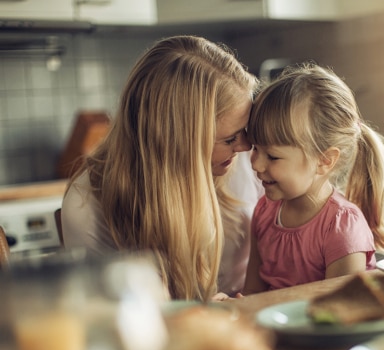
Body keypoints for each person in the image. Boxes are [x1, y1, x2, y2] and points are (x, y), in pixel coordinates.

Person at [61, 35, 261, 301]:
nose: (247, 146)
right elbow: (110, 319)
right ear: (177, 142)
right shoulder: (87, 205)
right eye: (229, 139)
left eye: (244, 130)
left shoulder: (247, 160)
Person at [242, 63, 384, 294]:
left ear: (325, 160)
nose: (256, 163)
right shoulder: (264, 211)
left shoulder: (342, 226)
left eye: (273, 156)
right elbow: (252, 295)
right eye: (255, 148)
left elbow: (336, 314)